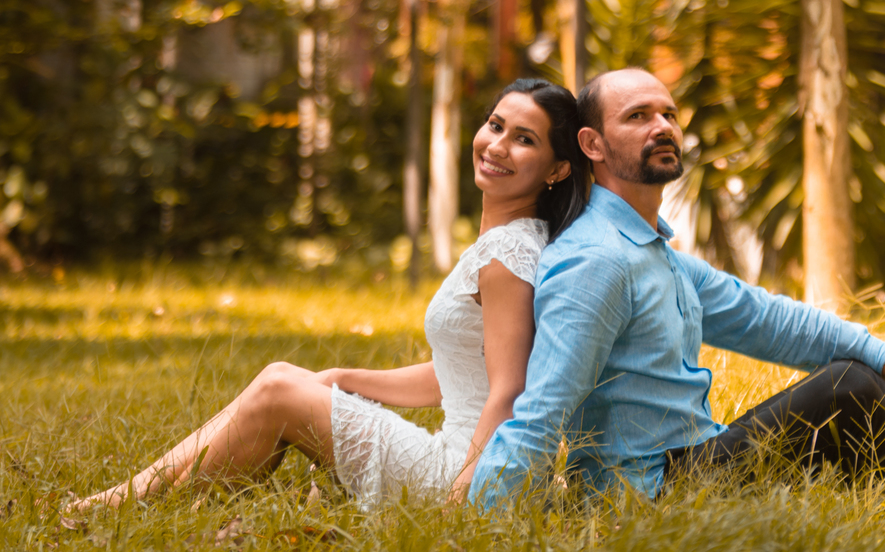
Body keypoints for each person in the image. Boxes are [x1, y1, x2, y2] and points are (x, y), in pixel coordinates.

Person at [469, 68, 885, 508]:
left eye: (668, 114)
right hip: (650, 495)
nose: (663, 126)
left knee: (852, 384)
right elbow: (542, 412)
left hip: (694, 467)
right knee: (846, 387)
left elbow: (776, 322)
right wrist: (479, 525)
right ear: (592, 145)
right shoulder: (596, 260)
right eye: (638, 117)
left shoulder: (652, 250)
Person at [67, 78, 588, 513]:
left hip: (457, 474)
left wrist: (463, 502)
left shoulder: (506, 255)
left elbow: (509, 390)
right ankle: (129, 501)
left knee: (278, 391)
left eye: (524, 139)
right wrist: (346, 379)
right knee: (283, 377)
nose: (497, 145)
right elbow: (463, 373)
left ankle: (126, 509)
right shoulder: (510, 243)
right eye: (495, 125)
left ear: (557, 169)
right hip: (455, 458)